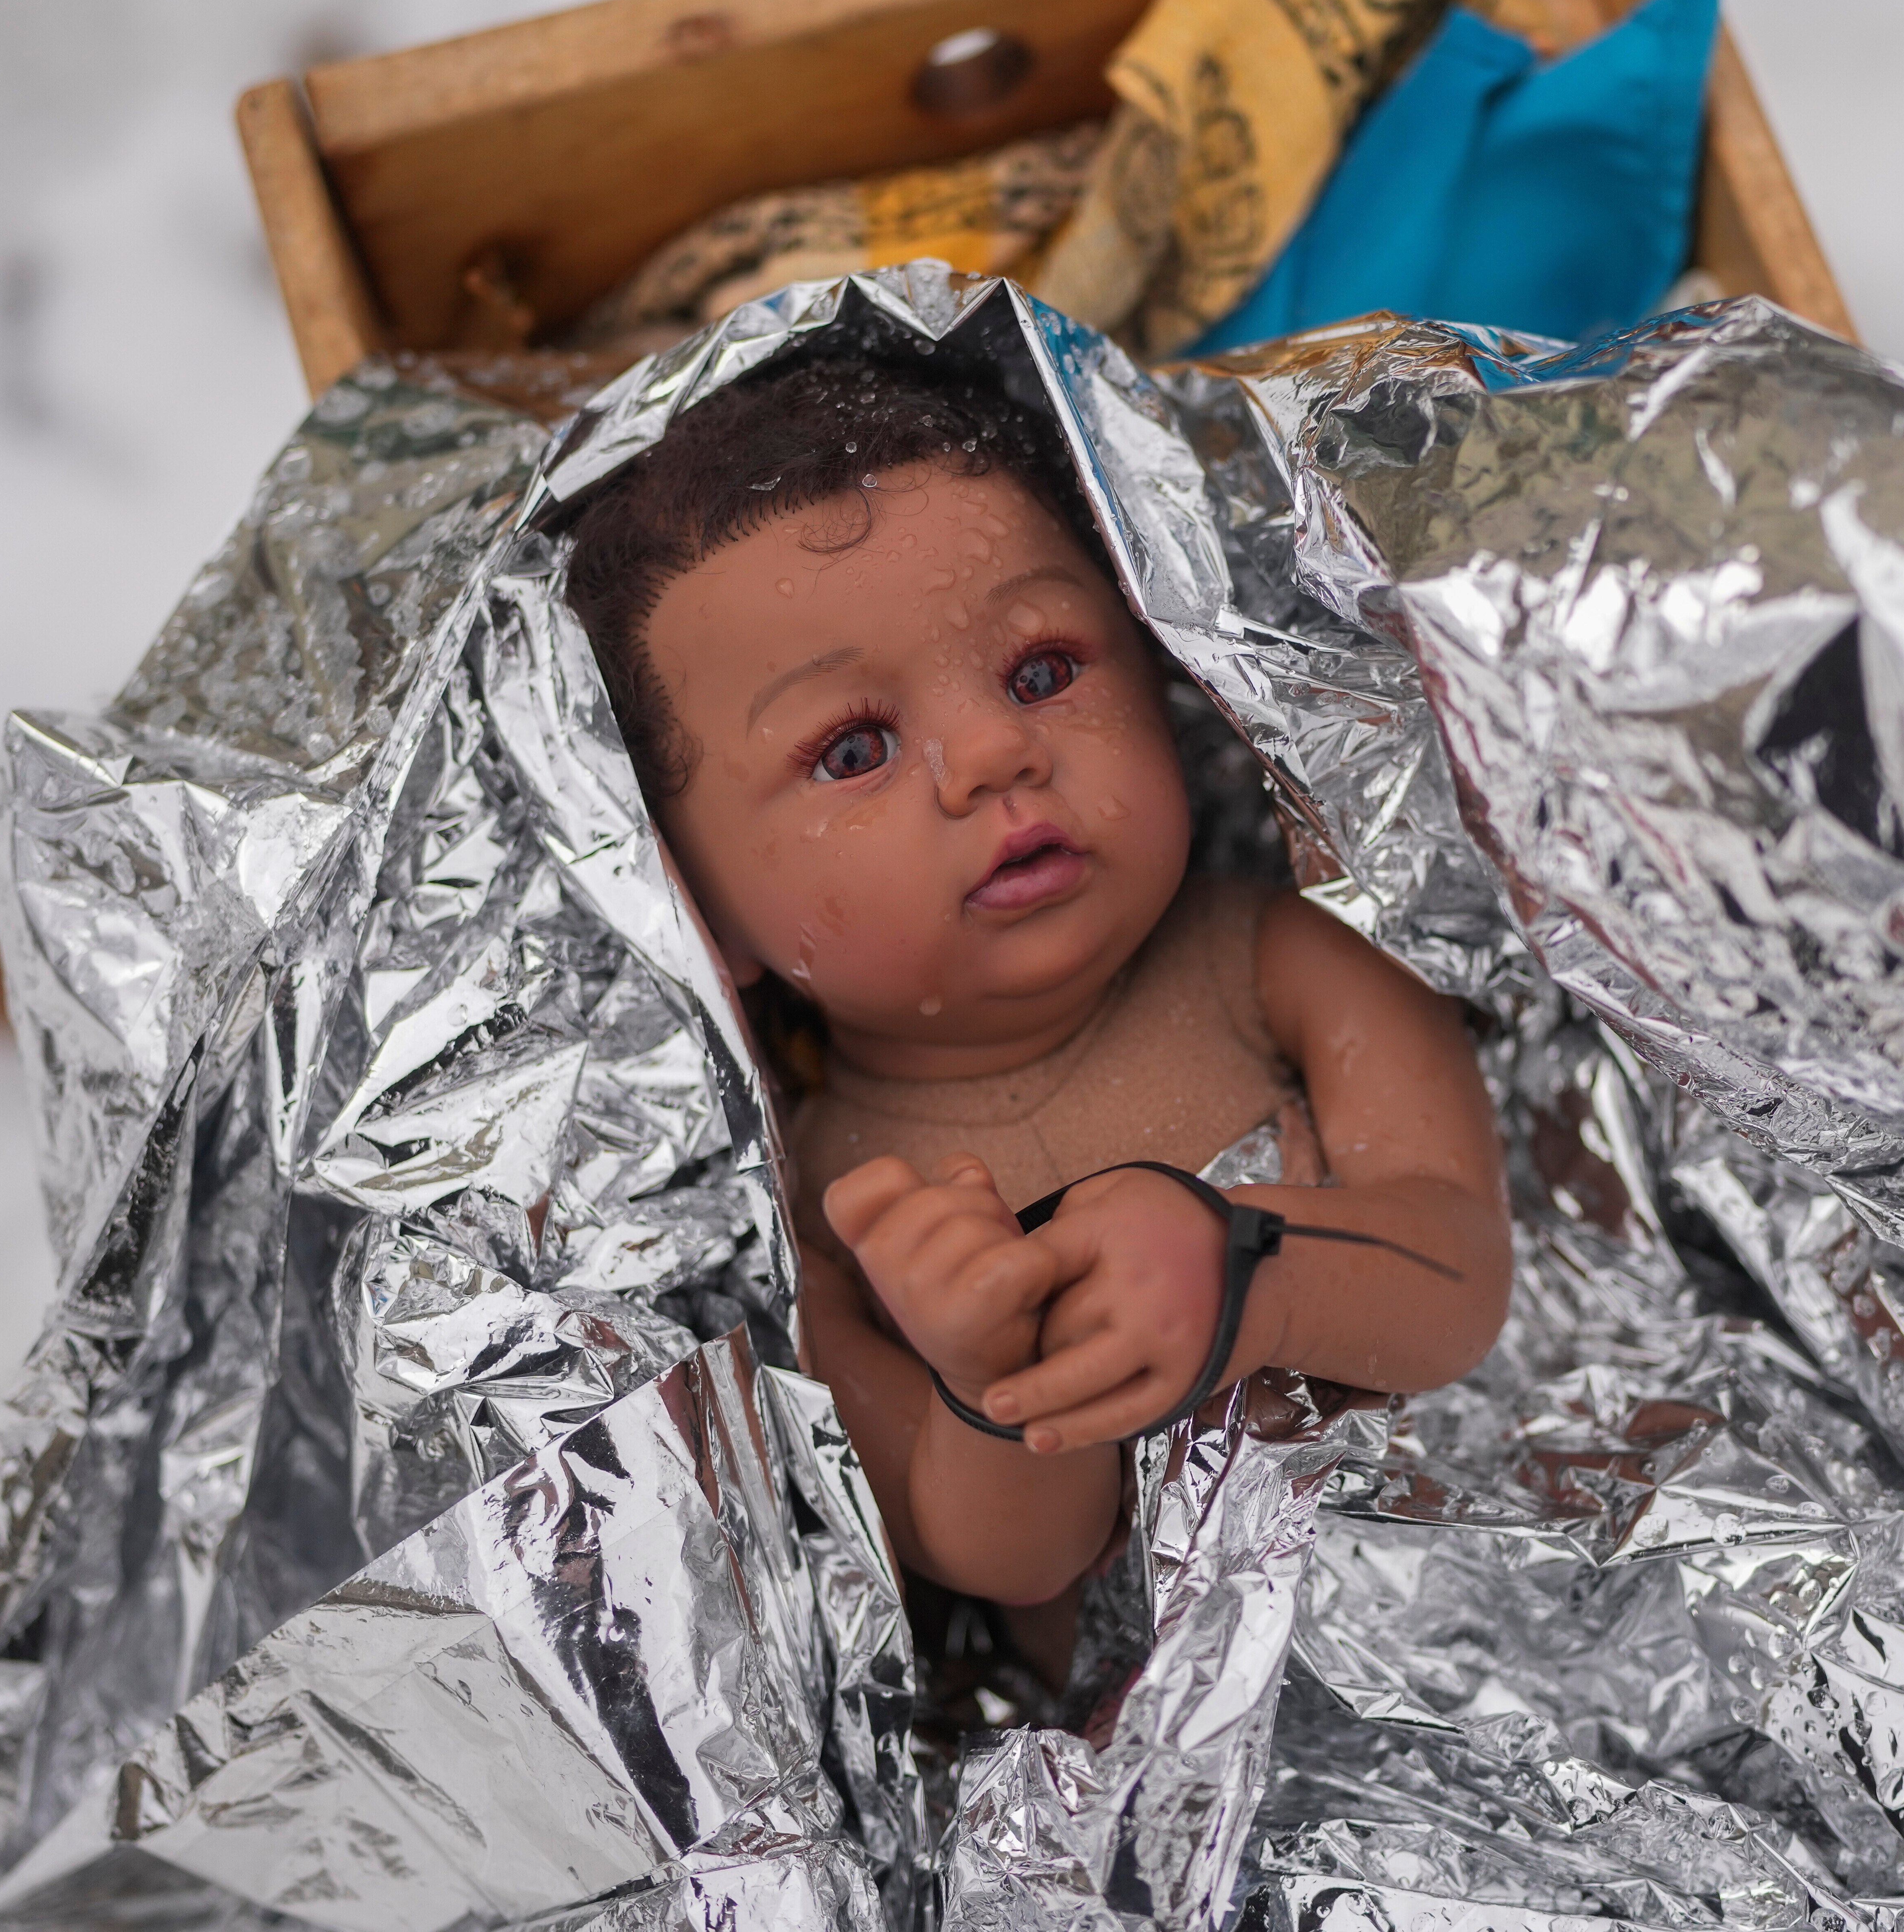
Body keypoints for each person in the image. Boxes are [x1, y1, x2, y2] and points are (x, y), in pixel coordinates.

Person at [563, 348, 1511, 1680]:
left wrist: (1252, 1272)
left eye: (1043, 669)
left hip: (1453, 1606)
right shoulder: (829, 1209)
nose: (995, 752)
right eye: (854, 749)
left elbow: (1461, 1275)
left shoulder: (1275, 960)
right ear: (698, 916)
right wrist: (989, 1389)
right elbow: (1012, 1564)